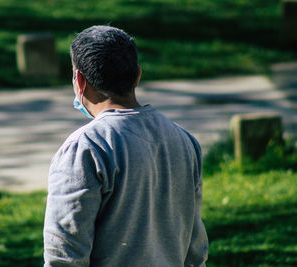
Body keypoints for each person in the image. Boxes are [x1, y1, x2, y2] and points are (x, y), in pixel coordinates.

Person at [43, 25, 208, 267]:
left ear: (80, 81)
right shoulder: (184, 141)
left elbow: (64, 255)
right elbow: (195, 252)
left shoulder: (86, 148)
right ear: (137, 75)